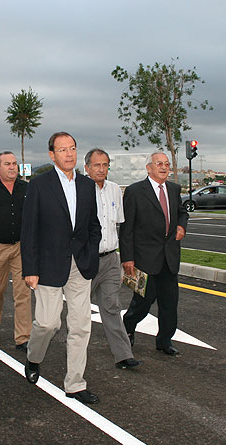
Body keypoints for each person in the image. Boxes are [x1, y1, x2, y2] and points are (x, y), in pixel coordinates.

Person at [21, 132, 101, 405]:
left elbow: (93, 226)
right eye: (62, 149)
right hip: (47, 265)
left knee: (80, 325)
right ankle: (34, 357)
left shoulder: (88, 186)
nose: (69, 154)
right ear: (52, 155)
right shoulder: (40, 185)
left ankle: (75, 383)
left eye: (73, 148)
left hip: (80, 264)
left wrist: (91, 252)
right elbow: (29, 229)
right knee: (47, 323)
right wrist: (30, 268)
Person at [120, 152, 188, 355]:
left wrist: (181, 226)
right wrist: (127, 258)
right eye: (159, 164)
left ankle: (164, 341)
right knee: (143, 302)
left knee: (169, 303)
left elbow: (182, 212)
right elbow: (127, 228)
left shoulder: (174, 189)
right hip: (144, 258)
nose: (164, 167)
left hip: (169, 258)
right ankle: (128, 327)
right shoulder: (135, 191)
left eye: (167, 164)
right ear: (149, 168)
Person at [84, 148, 141, 370]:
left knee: (112, 307)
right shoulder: (79, 190)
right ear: (87, 168)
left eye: (105, 165)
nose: (101, 169)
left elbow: (120, 225)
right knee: (78, 312)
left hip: (110, 259)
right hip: (85, 262)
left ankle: (123, 354)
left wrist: (124, 258)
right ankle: (72, 352)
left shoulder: (115, 190)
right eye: (96, 165)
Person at [0, 151, 31, 350]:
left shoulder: (26, 188)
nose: (12, 167)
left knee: (23, 293)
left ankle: (23, 337)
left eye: (14, 164)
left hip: (21, 247)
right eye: (7, 164)